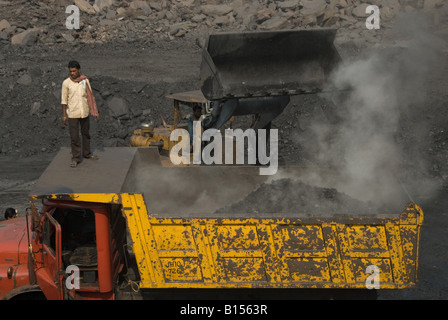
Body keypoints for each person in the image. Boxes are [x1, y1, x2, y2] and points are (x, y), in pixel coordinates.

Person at [61, 60, 99, 168]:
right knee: (74, 137)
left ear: (79, 70)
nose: (72, 73)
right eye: (70, 71)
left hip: (84, 112)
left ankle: (87, 154)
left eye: (74, 71)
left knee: (86, 134)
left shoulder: (84, 81)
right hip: (73, 113)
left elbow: (90, 96)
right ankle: (76, 158)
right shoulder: (66, 83)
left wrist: (94, 111)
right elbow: (64, 100)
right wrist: (64, 115)